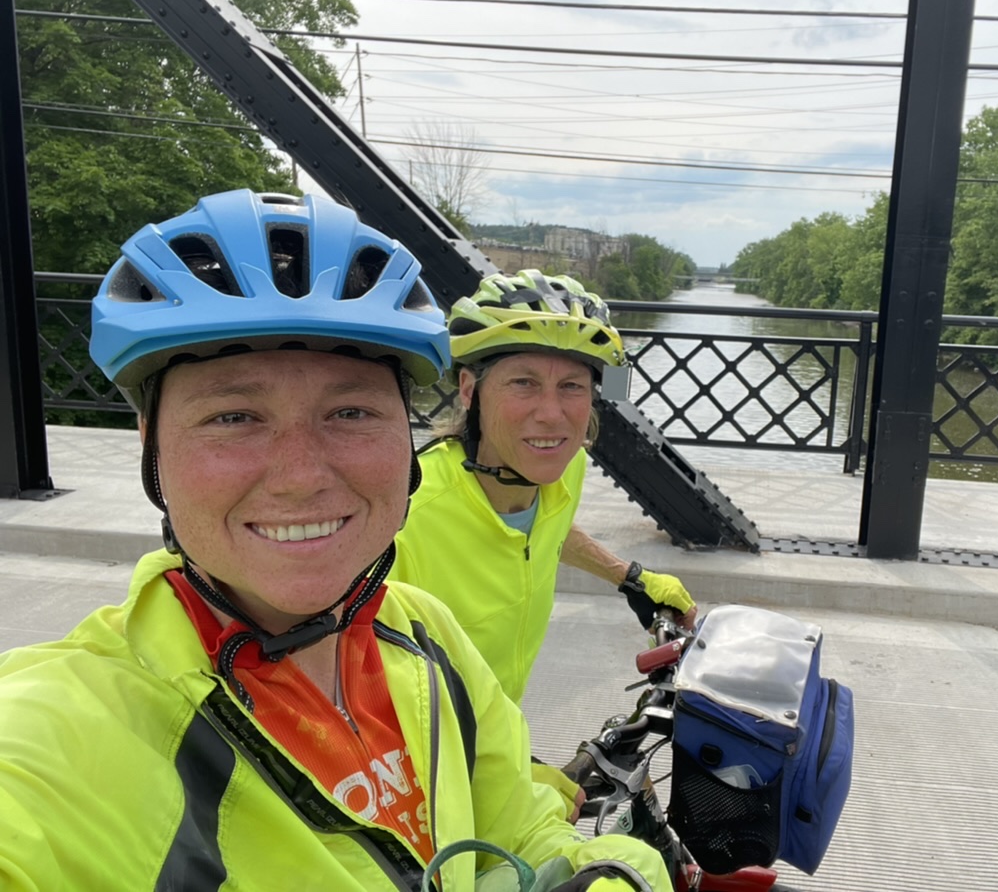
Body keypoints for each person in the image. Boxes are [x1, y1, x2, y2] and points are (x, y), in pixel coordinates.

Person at [0, 191, 670, 892]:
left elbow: (522, 830)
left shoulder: (421, 634)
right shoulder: (62, 732)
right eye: (234, 415)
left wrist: (613, 873)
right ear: (150, 444)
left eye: (350, 411)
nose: (300, 478)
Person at [391, 270, 698, 821]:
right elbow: (354, 687)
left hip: (499, 726)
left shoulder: (564, 468)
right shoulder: (406, 518)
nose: (552, 413)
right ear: (469, 390)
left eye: (572, 387)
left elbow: (547, 529)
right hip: (421, 771)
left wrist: (629, 577)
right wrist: (505, 767)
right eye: (524, 383)